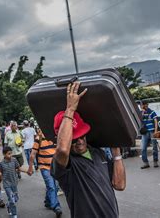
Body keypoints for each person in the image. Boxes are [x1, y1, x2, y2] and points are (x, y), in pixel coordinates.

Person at [51, 82, 126, 218]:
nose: (80, 141)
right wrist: (70, 108)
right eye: (74, 139)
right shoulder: (65, 166)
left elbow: (119, 185)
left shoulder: (98, 153)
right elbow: (62, 150)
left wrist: (116, 152)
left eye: (81, 136)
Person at [27, 128, 62, 217]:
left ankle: (48, 201)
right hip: (44, 167)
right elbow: (32, 154)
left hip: (56, 167)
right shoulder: (39, 138)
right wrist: (30, 168)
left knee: (56, 187)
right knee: (51, 186)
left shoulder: (56, 137)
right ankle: (56, 207)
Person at [0, 146, 21, 218]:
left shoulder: (14, 160)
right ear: (4, 154)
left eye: (11, 153)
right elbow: (0, 173)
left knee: (16, 199)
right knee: (12, 199)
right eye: (9, 154)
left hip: (14, 183)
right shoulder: (1, 163)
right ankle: (14, 214)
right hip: (6, 184)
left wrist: (20, 172)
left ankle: (8, 205)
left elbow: (18, 167)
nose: (10, 155)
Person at [140, 101, 159, 169]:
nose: (142, 106)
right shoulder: (141, 113)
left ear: (146, 105)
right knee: (143, 148)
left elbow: (156, 121)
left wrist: (156, 131)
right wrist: (142, 113)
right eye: (141, 105)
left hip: (152, 131)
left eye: (143, 105)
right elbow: (140, 121)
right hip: (145, 132)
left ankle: (155, 161)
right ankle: (145, 163)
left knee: (154, 147)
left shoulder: (152, 112)